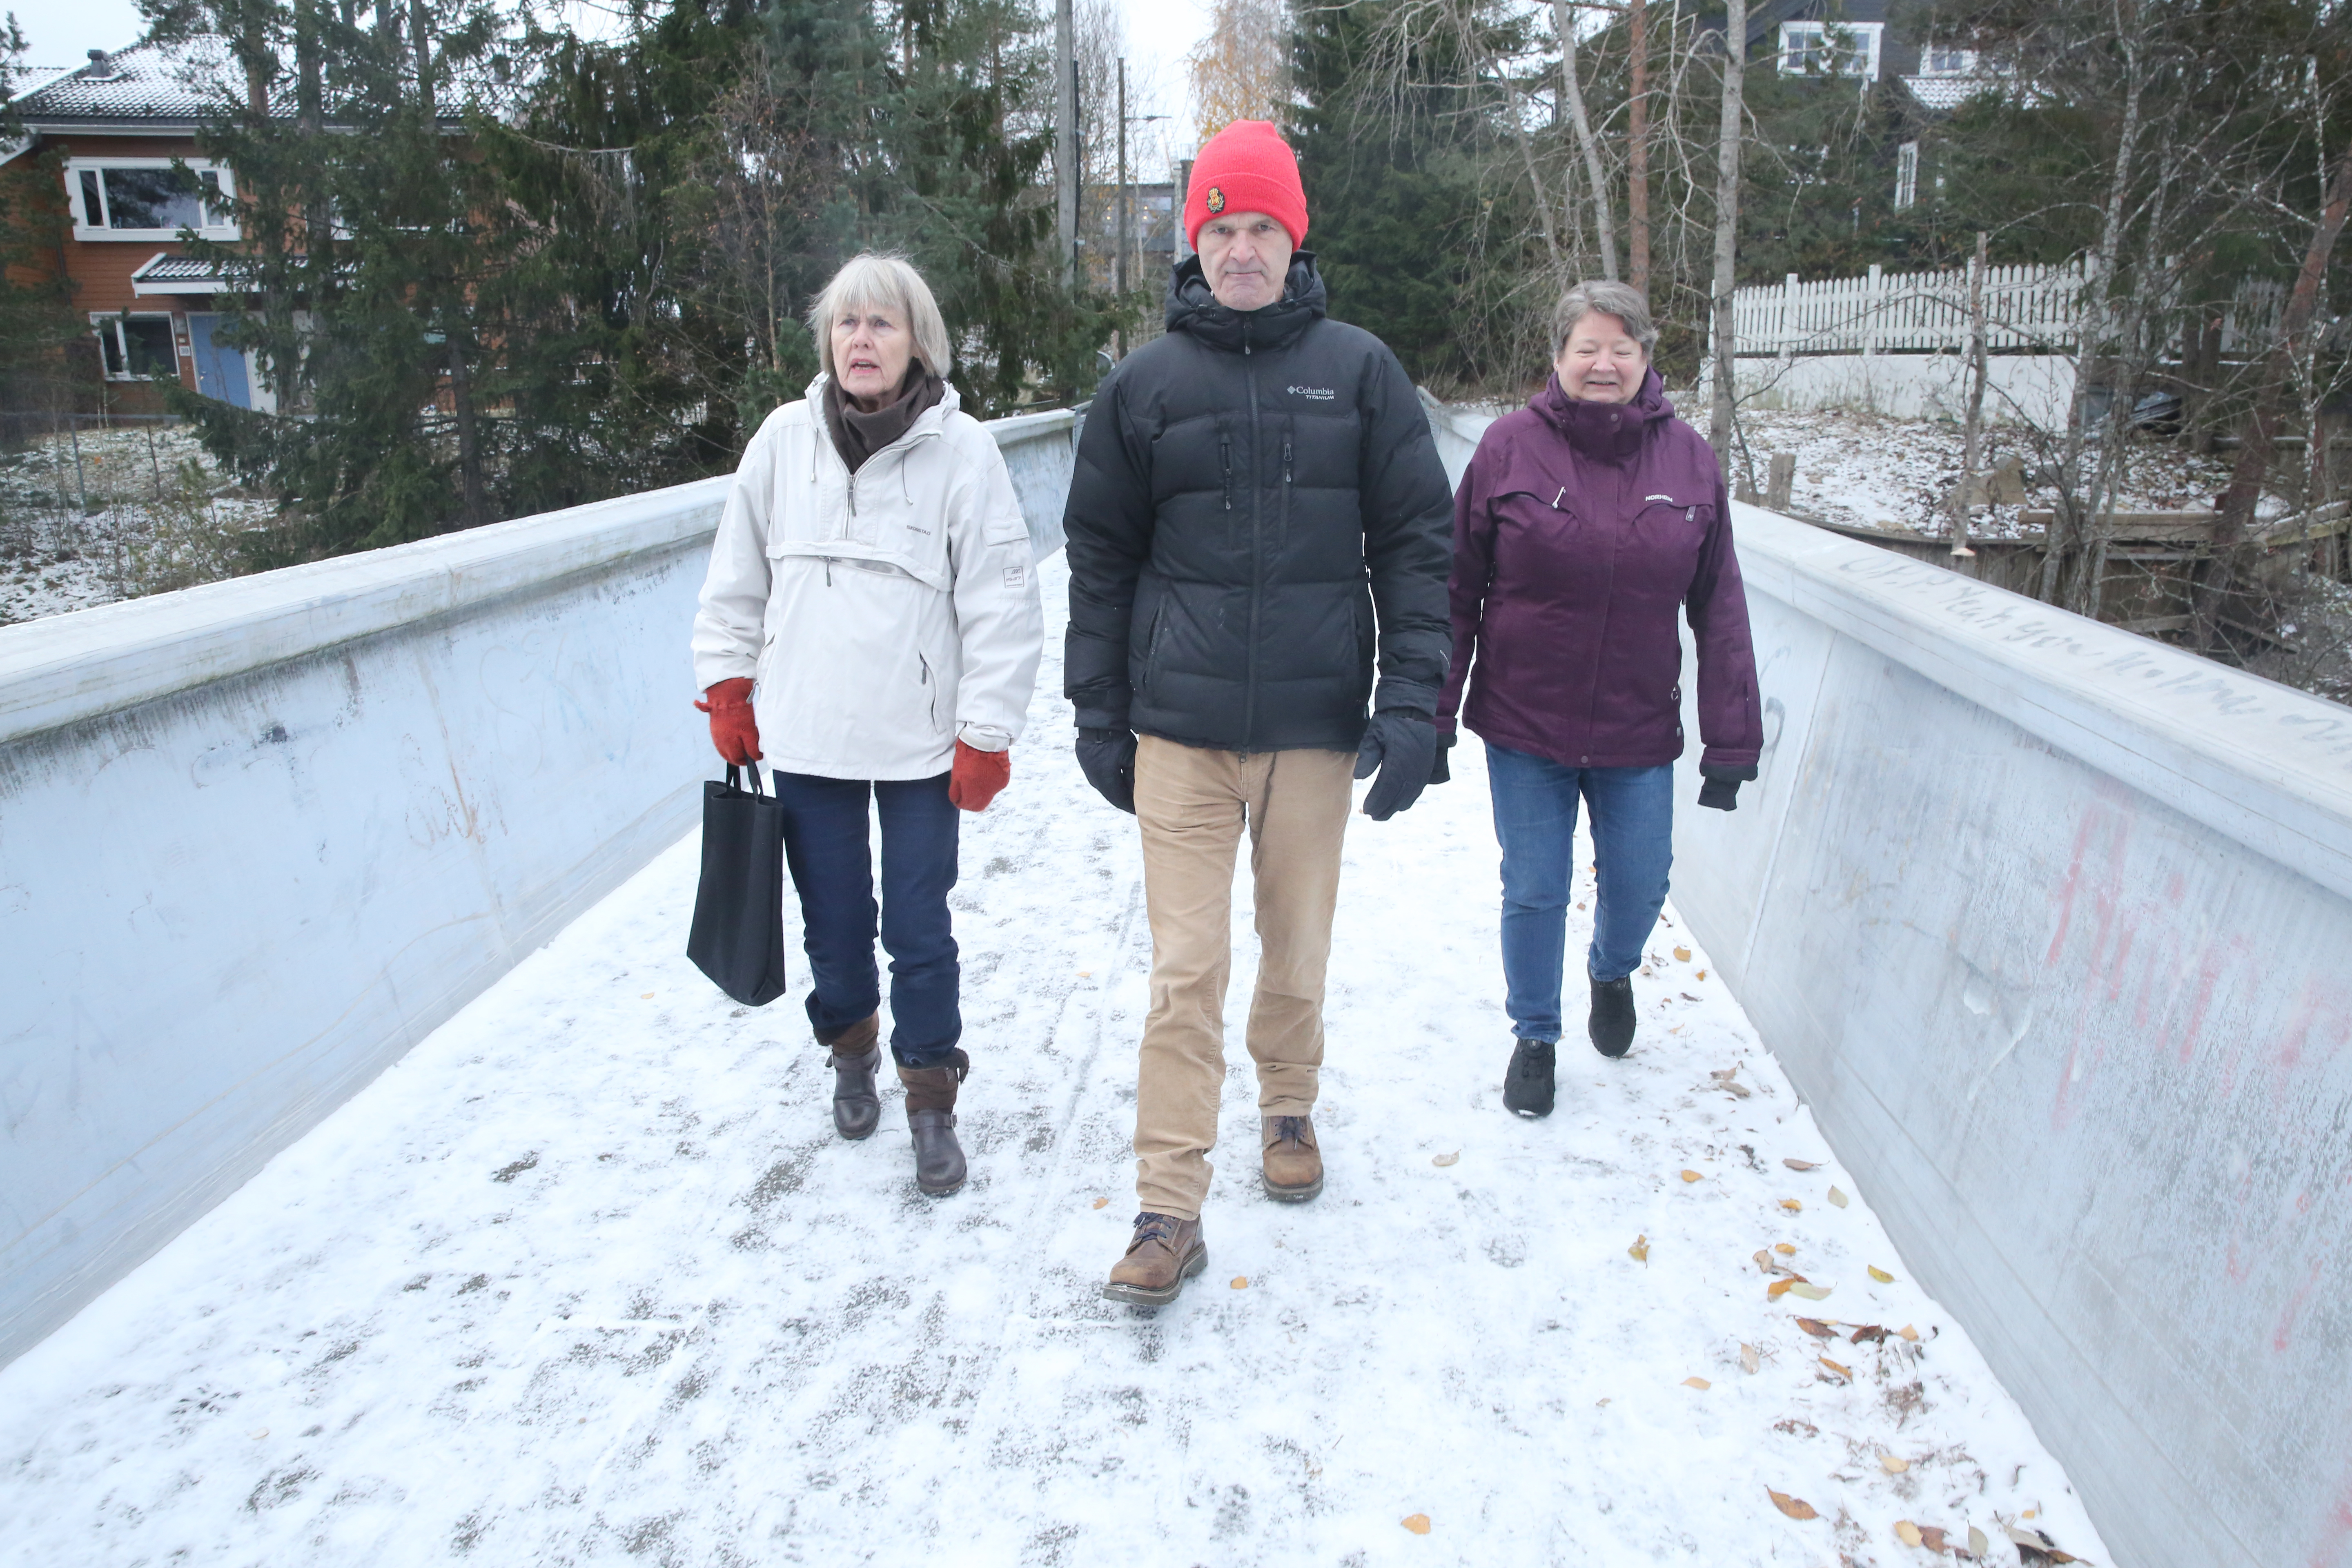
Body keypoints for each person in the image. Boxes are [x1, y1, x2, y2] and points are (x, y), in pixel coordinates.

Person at [1062, 119, 1454, 1305]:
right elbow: (1100, 557)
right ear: (1196, 242)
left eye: (1262, 229)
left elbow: (1418, 544)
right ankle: (1168, 1206)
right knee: (1186, 967)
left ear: (1295, 237)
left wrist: (1415, 700)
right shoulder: (1143, 384)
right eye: (1221, 229)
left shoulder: (1363, 372)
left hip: (1314, 729)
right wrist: (1098, 710)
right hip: (1179, 731)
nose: (1241, 250)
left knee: (1298, 945)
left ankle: (1289, 1104)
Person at [690, 252, 1043, 1195]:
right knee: (836, 926)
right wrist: (729, 687)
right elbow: (735, 580)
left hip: (923, 745)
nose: (861, 340)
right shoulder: (779, 442)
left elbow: (1003, 602)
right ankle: (850, 1050)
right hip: (809, 737)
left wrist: (988, 733)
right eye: (847, 323)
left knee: (918, 928)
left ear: (917, 341)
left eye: (882, 324)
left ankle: (930, 1096)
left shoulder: (962, 451)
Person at [1434, 280, 1762, 1118]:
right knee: (1536, 886)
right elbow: (1454, 593)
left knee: (1642, 882)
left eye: (1622, 348)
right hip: (1526, 722)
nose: (1604, 364)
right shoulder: (1508, 449)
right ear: (1558, 360)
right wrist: (1429, 719)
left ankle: (1611, 970)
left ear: (1647, 359)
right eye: (1587, 348)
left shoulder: (1688, 458)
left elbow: (1719, 605)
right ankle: (1535, 1037)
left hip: (1636, 726)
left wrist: (1733, 741)